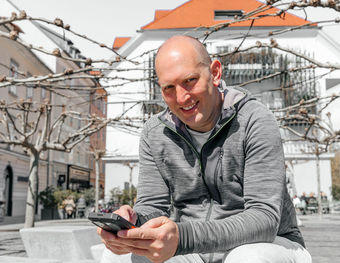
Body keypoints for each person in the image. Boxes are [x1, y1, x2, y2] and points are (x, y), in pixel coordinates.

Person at [98, 36, 311, 263]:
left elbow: (264, 219)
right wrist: (132, 225)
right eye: (169, 88)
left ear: (216, 72)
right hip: (193, 250)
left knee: (249, 258)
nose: (182, 98)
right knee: (119, 257)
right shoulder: (155, 133)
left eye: (190, 80)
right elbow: (152, 207)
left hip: (270, 244)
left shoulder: (255, 119)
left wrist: (183, 238)